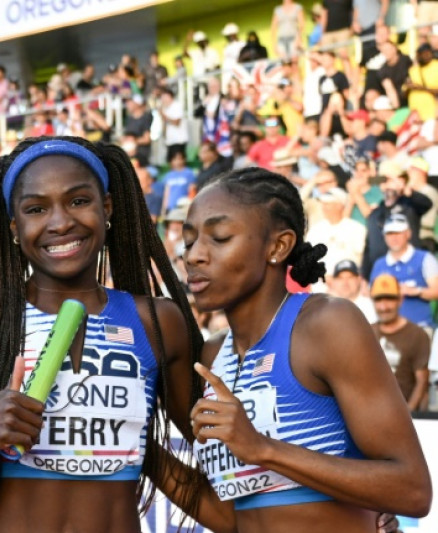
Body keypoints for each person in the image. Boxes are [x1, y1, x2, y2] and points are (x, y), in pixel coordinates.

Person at [0, 136, 204, 532]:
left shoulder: (159, 322)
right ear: (15, 226)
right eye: (36, 209)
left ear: (107, 207)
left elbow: (217, 455)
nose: (60, 222)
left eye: (79, 201)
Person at [180, 167, 431, 531]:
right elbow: (232, 519)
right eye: (189, 241)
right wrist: (139, 445)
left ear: (278, 246)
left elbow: (412, 490)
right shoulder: (212, 357)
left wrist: (262, 448)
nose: (194, 256)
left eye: (219, 237)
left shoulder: (327, 324)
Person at [370, 274, 432, 412]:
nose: (384, 307)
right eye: (378, 300)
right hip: (370, 414)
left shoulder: (417, 335)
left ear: (400, 299)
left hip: (403, 414)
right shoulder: (367, 332)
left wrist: (409, 414)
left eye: (389, 299)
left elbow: (422, 381)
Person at [370, 214, 438, 331]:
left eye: (398, 233)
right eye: (390, 234)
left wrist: (416, 291)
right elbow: (372, 294)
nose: (394, 238)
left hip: (420, 326)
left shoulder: (425, 258)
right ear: (384, 237)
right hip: (387, 329)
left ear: (408, 234)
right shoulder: (379, 264)